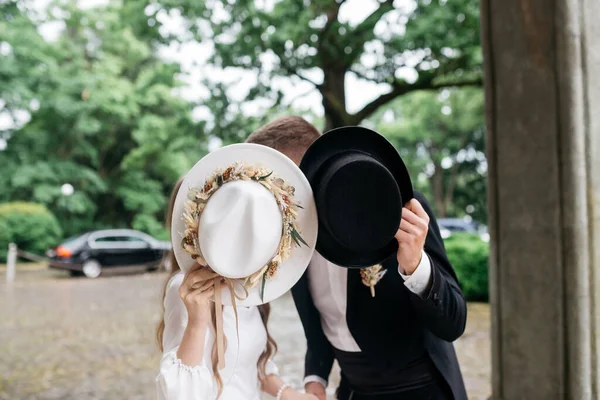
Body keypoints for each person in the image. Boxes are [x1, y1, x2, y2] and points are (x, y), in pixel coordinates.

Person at [246, 117, 468, 400]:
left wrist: (415, 265)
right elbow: (321, 330)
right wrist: (315, 381)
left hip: (422, 389)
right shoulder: (288, 237)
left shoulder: (397, 211)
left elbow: (454, 323)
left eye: (278, 181)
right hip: (353, 392)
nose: (273, 195)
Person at [155, 143, 320, 400]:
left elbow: (252, 364)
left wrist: (290, 394)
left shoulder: (248, 282)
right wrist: (197, 324)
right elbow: (178, 393)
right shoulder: (186, 290)